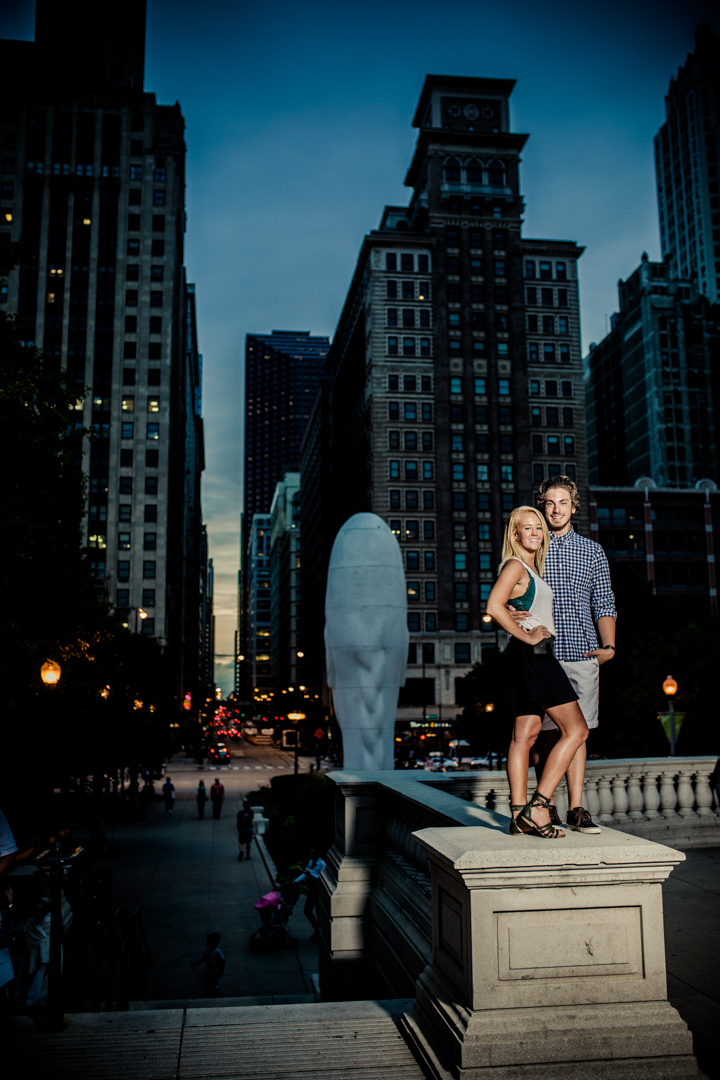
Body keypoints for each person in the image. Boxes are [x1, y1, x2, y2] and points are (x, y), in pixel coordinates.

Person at [508, 477, 616, 834]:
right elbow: (511, 593)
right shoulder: (533, 546)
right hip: (543, 654)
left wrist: (608, 647)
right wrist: (513, 616)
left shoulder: (592, 551)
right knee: (543, 734)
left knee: (578, 733)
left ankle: (576, 808)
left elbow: (604, 601)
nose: (556, 510)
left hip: (582, 652)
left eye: (563, 503)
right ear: (542, 506)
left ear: (574, 506)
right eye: (550, 503)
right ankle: (546, 806)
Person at [486, 506, 590, 839]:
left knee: (525, 734)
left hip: (525, 657)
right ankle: (540, 805)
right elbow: (493, 606)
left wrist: (519, 621)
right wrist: (528, 635)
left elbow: (509, 607)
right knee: (577, 730)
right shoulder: (516, 565)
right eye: (527, 527)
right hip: (535, 655)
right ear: (515, 534)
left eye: (538, 527)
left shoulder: (531, 568)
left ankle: (518, 816)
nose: (534, 532)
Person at [295, 848, 326, 941]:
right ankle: (316, 928)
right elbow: (305, 873)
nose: (311, 855)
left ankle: (319, 932)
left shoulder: (322, 864)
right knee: (307, 910)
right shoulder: (311, 861)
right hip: (312, 888)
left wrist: (310, 874)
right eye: (311, 853)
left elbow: (321, 878)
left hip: (318, 890)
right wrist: (295, 881)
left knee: (318, 912)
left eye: (313, 853)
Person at [193, 931, 225, 997]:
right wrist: (198, 963)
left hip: (215, 972)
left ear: (216, 943)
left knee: (214, 984)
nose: (208, 943)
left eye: (211, 942)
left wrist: (221, 971)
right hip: (210, 971)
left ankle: (216, 995)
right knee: (208, 983)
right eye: (208, 941)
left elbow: (223, 961)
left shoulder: (217, 952)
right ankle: (211, 993)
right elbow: (205, 958)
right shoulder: (208, 950)